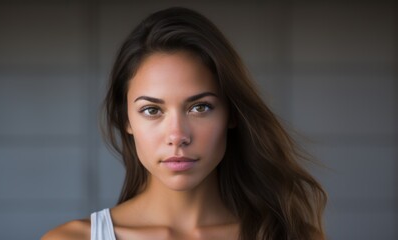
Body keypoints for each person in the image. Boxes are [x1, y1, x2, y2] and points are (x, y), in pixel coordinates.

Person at [42, 7, 327, 240]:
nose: (177, 136)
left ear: (232, 114)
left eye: (199, 107)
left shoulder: (292, 236)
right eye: (152, 110)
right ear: (125, 119)